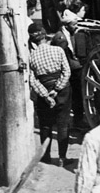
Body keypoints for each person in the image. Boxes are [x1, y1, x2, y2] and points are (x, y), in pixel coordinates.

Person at [28, 23, 71, 166]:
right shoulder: (58, 50)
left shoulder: (32, 56)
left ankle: (46, 156)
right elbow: (67, 72)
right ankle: (62, 158)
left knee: (45, 125)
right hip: (62, 90)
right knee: (62, 124)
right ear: (45, 36)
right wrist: (57, 89)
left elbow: (32, 80)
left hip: (44, 90)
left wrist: (45, 95)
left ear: (33, 41)